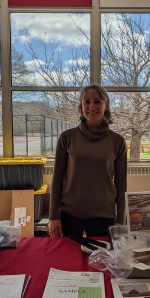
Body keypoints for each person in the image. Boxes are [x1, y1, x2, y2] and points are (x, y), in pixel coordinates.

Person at [48, 84, 127, 238]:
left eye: (97, 101)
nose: (92, 106)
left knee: (103, 260)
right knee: (66, 260)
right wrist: (53, 216)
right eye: (87, 101)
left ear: (106, 105)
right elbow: (57, 179)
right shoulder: (67, 137)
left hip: (104, 215)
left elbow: (121, 184)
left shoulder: (117, 141)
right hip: (69, 215)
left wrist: (120, 220)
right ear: (81, 105)